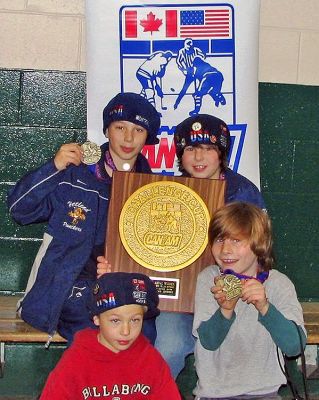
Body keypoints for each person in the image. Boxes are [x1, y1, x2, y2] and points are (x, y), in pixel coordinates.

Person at [7, 92, 161, 345]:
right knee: (93, 326)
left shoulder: (154, 189)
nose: (128, 138)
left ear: (148, 138)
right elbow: (19, 210)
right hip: (68, 283)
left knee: (143, 333)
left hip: (124, 283)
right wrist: (53, 167)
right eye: (120, 127)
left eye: (138, 130)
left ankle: (121, 386)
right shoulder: (74, 174)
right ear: (107, 130)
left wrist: (124, 270)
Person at [153, 113, 266, 378]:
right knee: (167, 347)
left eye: (208, 149)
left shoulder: (243, 193)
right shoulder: (168, 189)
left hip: (229, 295)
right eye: (191, 149)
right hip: (180, 298)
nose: (199, 157)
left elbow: (261, 254)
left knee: (232, 350)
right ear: (180, 154)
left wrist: (236, 289)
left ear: (221, 153)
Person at [193, 202, 306, 399]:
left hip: (265, 393)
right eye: (219, 240)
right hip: (215, 394)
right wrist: (225, 310)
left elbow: (294, 346)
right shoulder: (209, 279)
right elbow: (208, 342)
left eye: (236, 241)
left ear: (259, 244)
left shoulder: (278, 283)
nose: (226, 250)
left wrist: (265, 307)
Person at [39, 272, 182, 399]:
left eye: (135, 320)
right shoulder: (75, 360)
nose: (125, 331)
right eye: (115, 320)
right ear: (96, 319)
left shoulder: (151, 359)